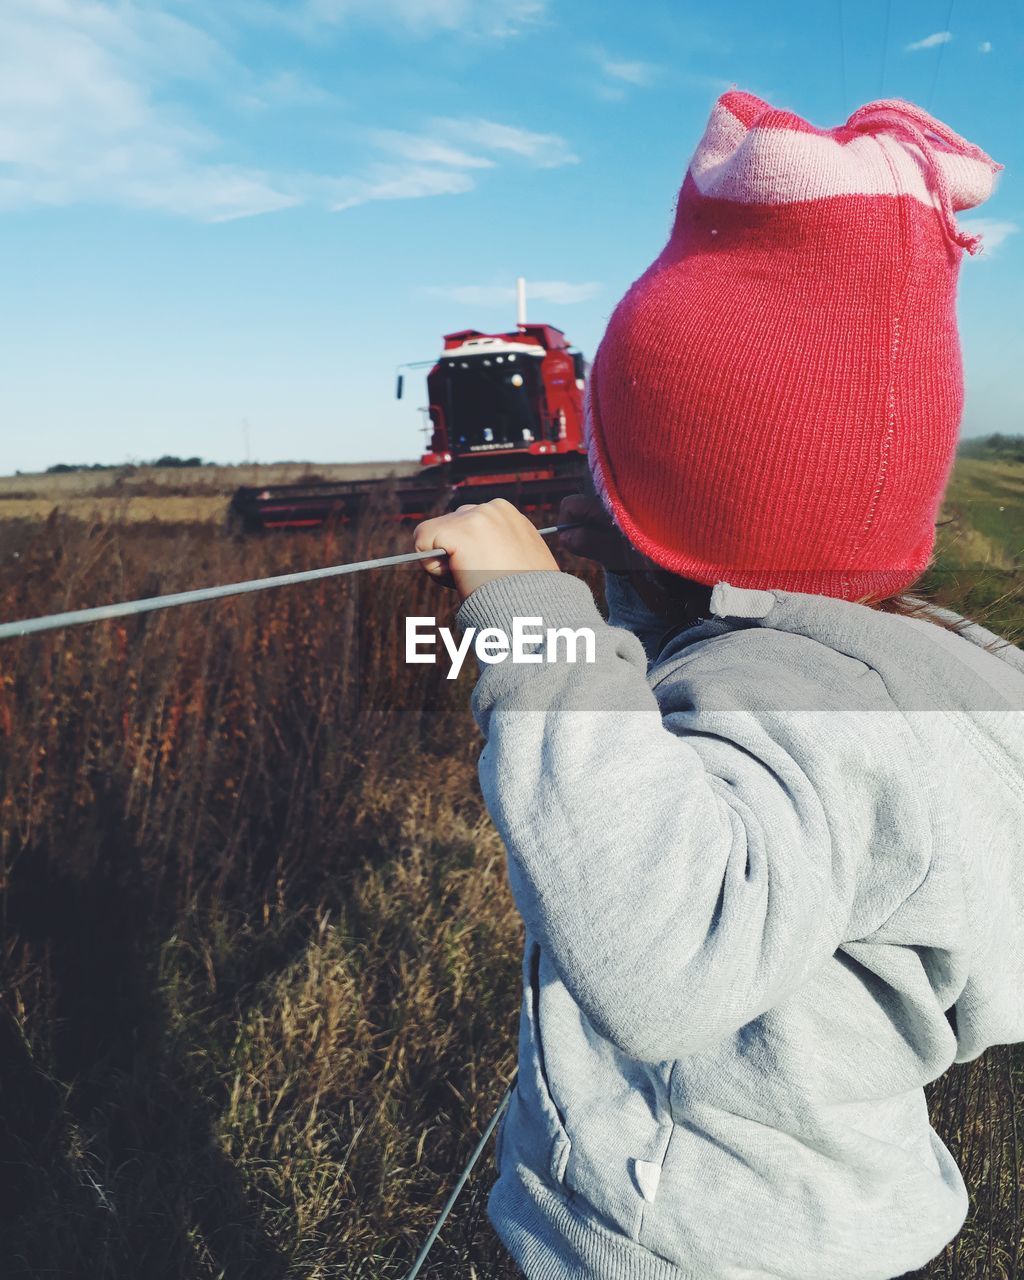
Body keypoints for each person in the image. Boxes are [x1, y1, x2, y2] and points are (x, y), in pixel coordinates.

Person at [412, 90, 1024, 1280]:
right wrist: (636, 574)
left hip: (691, 1243)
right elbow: (712, 681)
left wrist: (532, 621)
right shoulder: (892, 667)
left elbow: (665, 943)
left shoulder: (799, 706)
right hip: (817, 1208)